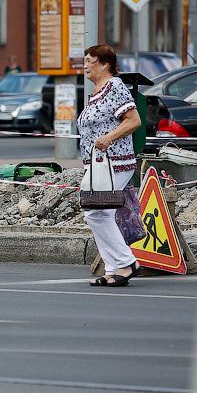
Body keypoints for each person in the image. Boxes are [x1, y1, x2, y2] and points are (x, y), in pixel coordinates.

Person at [77, 44, 143, 288]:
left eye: (90, 60)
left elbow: (134, 120)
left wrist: (109, 138)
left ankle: (127, 263)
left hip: (116, 161)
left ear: (104, 64)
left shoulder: (114, 86)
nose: (85, 64)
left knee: (96, 212)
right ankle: (113, 269)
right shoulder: (96, 91)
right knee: (100, 213)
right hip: (98, 166)